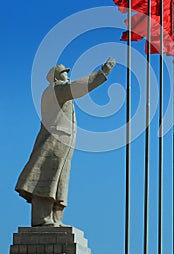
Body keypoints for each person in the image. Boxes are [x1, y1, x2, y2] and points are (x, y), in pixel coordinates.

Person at [15, 57, 116, 227]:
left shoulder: (59, 91)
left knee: (60, 178)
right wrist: (102, 73)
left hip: (64, 142)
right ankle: (42, 218)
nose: (67, 76)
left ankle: (56, 217)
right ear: (55, 77)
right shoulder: (55, 90)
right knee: (46, 175)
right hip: (53, 140)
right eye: (63, 73)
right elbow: (77, 87)